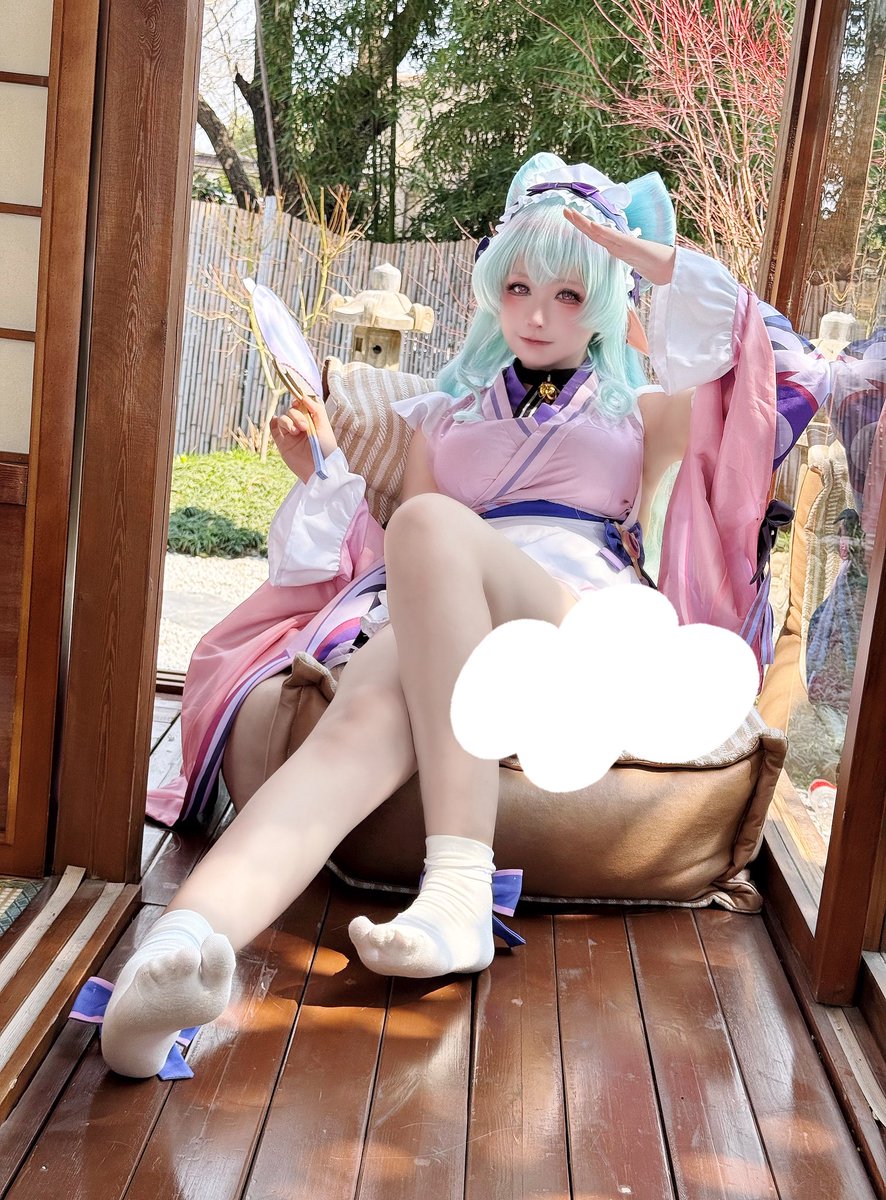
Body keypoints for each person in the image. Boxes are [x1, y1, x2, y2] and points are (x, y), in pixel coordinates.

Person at [100, 154, 827, 1079]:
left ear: (606, 302)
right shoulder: (440, 415)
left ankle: (458, 886)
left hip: (575, 621)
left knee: (431, 525)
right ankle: (170, 959)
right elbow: (384, 549)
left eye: (569, 294)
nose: (537, 314)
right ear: (492, 292)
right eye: (519, 288)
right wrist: (319, 476)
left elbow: (780, 364)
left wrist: (649, 258)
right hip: (443, 620)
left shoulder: (647, 411)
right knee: (360, 718)